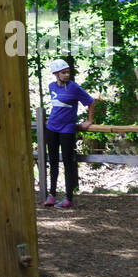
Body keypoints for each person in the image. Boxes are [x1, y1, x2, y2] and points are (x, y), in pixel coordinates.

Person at [44, 58, 96, 210]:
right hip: (52, 128)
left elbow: (90, 102)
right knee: (52, 161)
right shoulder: (51, 86)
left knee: (68, 163)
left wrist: (89, 121)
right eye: (63, 72)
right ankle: (52, 195)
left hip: (67, 129)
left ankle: (68, 198)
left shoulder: (73, 87)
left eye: (68, 72)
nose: (66, 75)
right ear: (56, 74)